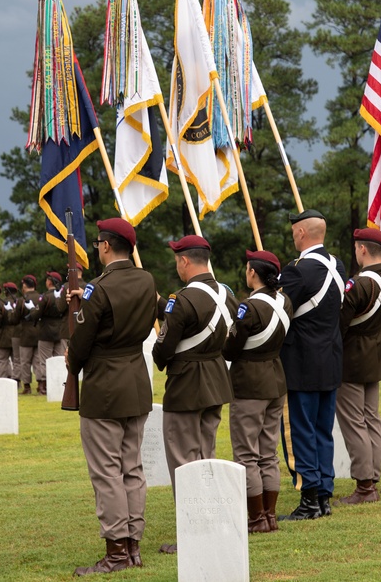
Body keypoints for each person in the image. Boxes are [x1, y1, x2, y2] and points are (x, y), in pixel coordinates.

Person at [67, 218, 157, 576]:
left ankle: (116, 551)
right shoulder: (147, 279)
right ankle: (133, 546)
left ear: (105, 246)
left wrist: (72, 357)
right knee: (132, 468)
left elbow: (82, 344)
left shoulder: (98, 289)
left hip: (104, 387)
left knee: (107, 473)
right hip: (136, 381)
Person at [153, 234, 235, 553]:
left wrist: (160, 358)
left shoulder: (182, 299)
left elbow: (164, 348)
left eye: (177, 259)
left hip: (186, 384)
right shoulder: (227, 295)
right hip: (216, 380)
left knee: (184, 463)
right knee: (207, 456)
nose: (177, 264)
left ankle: (193, 531)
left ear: (185, 261)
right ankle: (209, 523)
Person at [278, 210, 347, 520]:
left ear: (302, 233)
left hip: (301, 362)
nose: (293, 235)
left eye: (295, 231)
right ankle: (323, 495)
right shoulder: (339, 266)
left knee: (301, 431)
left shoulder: (297, 271)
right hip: (330, 359)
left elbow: (280, 313)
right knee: (323, 430)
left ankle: (308, 498)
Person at [223, 249, 292, 534]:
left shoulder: (249, 308)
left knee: (247, 455)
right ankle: (270, 516)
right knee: (268, 453)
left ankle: (256, 519)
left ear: (253, 273)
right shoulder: (285, 301)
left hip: (250, 384)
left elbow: (230, 348)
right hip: (276, 380)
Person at [335, 228, 381, 505]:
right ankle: (371, 476)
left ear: (362, 249)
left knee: (353, 421)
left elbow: (340, 323)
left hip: (353, 356)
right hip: (376, 352)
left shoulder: (357, 284)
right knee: (371, 417)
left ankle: (364, 485)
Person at [33, 270, 66, 395]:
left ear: (50, 282)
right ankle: (58, 383)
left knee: (45, 360)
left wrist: (32, 312)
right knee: (58, 359)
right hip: (59, 330)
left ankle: (44, 384)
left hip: (46, 331)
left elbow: (37, 313)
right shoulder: (61, 295)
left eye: (47, 279)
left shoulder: (45, 297)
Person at [13, 275, 42, 394]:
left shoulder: (21, 300)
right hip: (39, 332)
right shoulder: (41, 297)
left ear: (25, 285)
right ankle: (41, 384)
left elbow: (15, 318)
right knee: (38, 360)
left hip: (25, 333)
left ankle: (27, 387)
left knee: (25, 361)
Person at [0, 282, 18, 380]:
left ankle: (3, 380)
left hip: (4, 335)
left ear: (6, 291)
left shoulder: (1, 304)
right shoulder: (19, 301)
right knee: (17, 361)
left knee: (2, 360)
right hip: (17, 334)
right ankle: (16, 381)